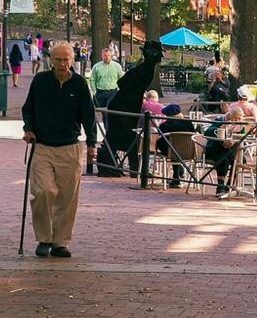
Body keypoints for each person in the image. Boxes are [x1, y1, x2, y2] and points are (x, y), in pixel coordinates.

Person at [21, 42, 95, 258]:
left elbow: (88, 116)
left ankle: (60, 241)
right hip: (42, 146)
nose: (62, 64)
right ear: (50, 61)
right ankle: (44, 238)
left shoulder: (80, 84)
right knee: (43, 191)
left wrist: (92, 144)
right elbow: (29, 109)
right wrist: (29, 129)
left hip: (70, 147)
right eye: (58, 60)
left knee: (67, 197)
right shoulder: (41, 81)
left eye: (66, 60)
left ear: (72, 61)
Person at [102, 40, 164, 177]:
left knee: (125, 138)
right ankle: (131, 170)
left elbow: (124, 82)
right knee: (123, 137)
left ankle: (131, 169)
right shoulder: (145, 69)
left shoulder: (145, 68)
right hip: (124, 106)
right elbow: (122, 82)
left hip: (127, 105)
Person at [155, 103, 199, 186]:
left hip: (170, 151)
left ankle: (176, 176)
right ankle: (179, 173)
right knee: (177, 148)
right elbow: (194, 135)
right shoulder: (188, 123)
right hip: (189, 151)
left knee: (172, 148)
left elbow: (161, 141)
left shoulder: (164, 125)